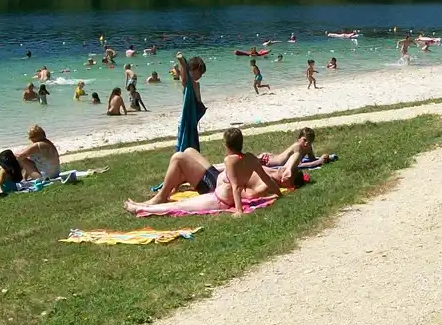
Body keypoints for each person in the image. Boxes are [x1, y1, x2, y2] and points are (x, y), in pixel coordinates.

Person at [125, 127, 299, 216]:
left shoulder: (233, 161)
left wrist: (239, 209)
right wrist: (279, 194)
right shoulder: (253, 160)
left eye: (286, 173)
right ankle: (176, 181)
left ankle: (153, 201)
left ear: (227, 145)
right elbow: (269, 176)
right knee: (189, 151)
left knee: (178, 159)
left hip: (215, 191)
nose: (284, 170)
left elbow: (240, 189)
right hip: (219, 181)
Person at [175, 52, 207, 152]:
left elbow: (198, 101)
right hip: (185, 119)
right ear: (193, 69)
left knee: (191, 145)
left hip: (191, 119)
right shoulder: (188, 83)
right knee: (186, 145)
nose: (201, 75)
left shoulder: (195, 84)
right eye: (200, 72)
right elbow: (184, 79)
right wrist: (183, 63)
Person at [261, 126, 329, 167]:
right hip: (269, 162)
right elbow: (298, 165)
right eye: (304, 140)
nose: (306, 143)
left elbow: (312, 159)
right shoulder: (297, 147)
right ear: (299, 139)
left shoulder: (308, 147)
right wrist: (319, 161)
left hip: (273, 157)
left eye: (309, 141)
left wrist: (323, 158)